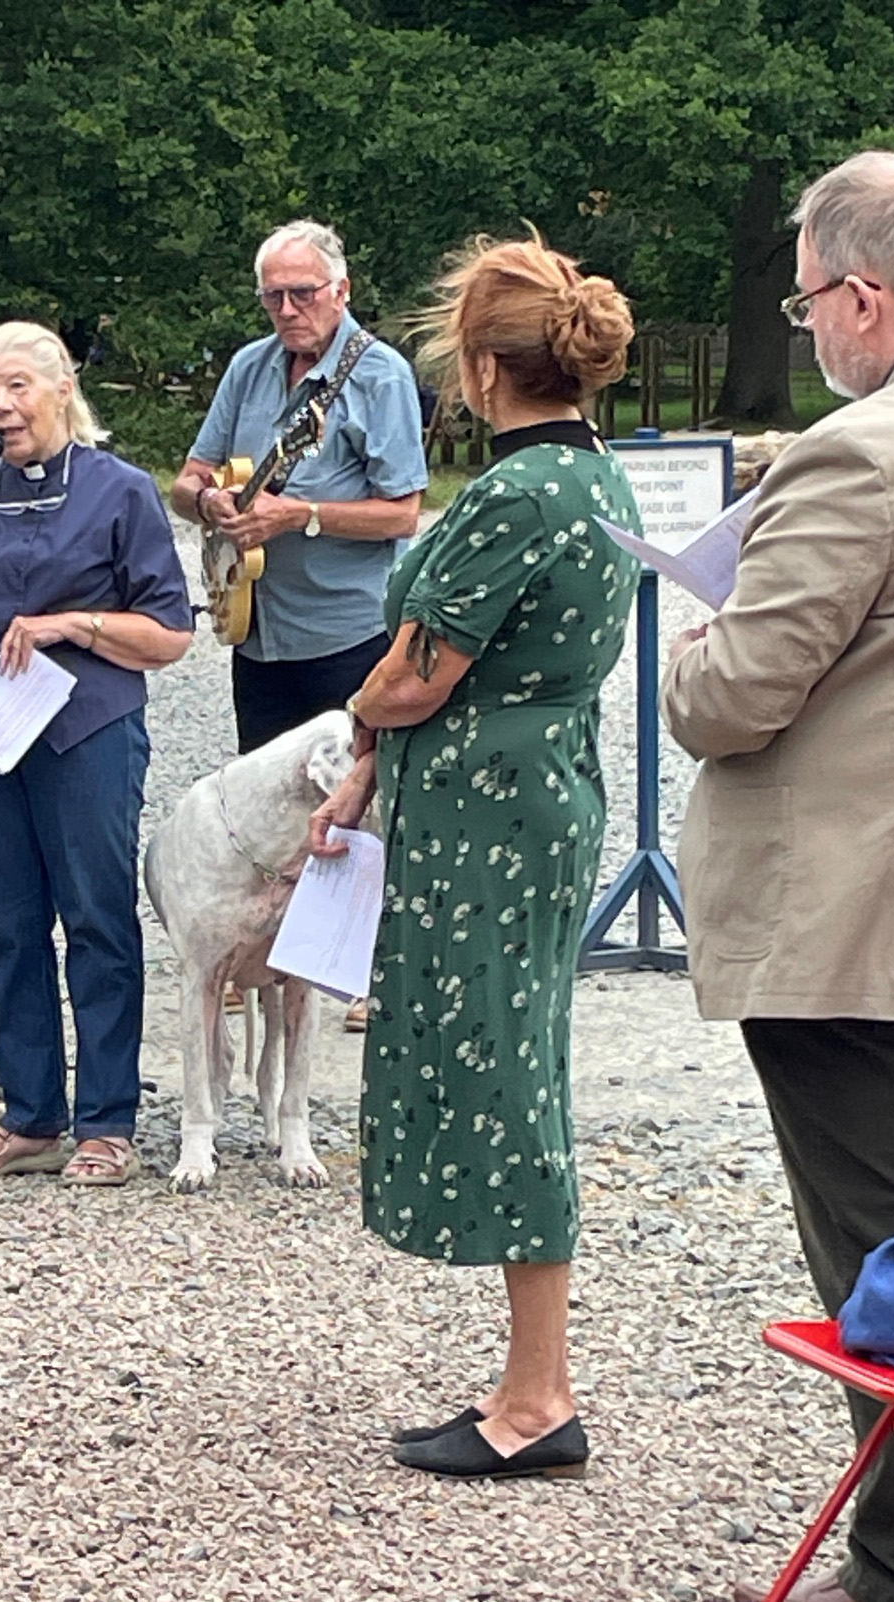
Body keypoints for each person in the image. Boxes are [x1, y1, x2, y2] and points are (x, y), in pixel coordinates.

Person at [307, 232, 641, 1480]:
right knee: (514, 1051)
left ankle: (539, 1396)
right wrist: (365, 772)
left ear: (485, 371)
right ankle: (527, 1379)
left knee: (504, 1070)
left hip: (491, 811)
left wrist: (362, 720)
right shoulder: (595, 475)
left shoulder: (514, 494)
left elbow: (422, 673)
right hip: (529, 789)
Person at [662, 150, 894, 1602]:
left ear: (866, 297)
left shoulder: (865, 450)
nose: (807, 324)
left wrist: (691, 655)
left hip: (865, 920)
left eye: (808, 295)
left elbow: (739, 694)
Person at [0, 320, 193, 1186]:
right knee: (4, 920)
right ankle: (30, 1114)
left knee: (97, 918)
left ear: (61, 387)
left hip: (89, 726)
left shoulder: (120, 491)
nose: (0, 409)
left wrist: (75, 625)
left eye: (15, 389)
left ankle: (108, 1118)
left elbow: (172, 634)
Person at [170, 218, 428, 756]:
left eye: (302, 294)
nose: (287, 310)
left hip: (348, 639)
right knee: (265, 814)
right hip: (257, 633)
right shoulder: (249, 366)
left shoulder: (381, 376)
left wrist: (298, 515)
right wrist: (209, 503)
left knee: (349, 815)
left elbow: (402, 515)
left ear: (341, 291)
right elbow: (186, 481)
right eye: (273, 297)